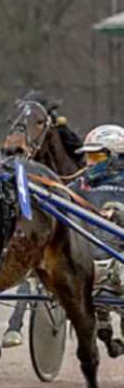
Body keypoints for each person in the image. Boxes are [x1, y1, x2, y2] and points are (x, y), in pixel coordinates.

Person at [71, 124, 124, 357]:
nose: (89, 162)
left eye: (96, 155)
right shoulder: (79, 185)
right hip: (86, 263)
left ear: (115, 157)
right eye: (87, 156)